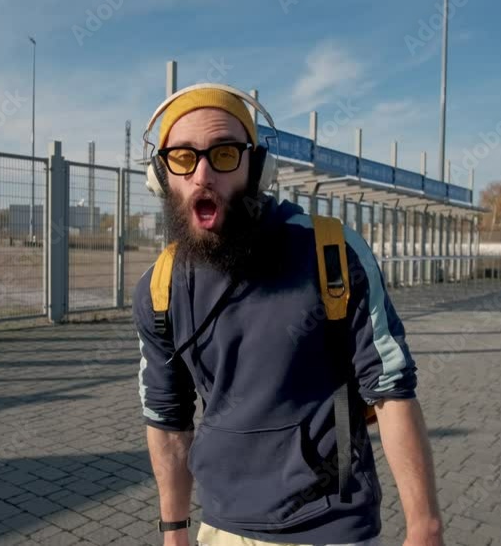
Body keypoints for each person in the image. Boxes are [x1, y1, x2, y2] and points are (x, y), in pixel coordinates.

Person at [132, 85, 444, 546]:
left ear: (257, 168)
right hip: (221, 530)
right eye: (183, 157)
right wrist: (174, 529)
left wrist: (424, 525)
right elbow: (167, 418)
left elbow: (391, 390)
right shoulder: (158, 289)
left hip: (332, 531)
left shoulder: (332, 253)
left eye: (223, 154)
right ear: (162, 175)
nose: (201, 175)